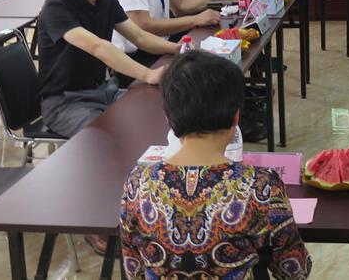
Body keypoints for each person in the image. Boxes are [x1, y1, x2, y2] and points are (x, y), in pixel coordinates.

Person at [120, 50, 312, 279]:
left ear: (168, 118)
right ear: (236, 117)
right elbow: (294, 271)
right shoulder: (261, 186)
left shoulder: (137, 182)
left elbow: (134, 270)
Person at [37, 0, 178, 139]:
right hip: (65, 103)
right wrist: (148, 74)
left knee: (153, 116)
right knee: (106, 138)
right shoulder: (57, 7)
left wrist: (175, 49)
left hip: (104, 91)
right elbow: (98, 47)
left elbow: (138, 36)